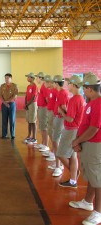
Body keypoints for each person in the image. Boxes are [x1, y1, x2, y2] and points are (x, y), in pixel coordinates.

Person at [69, 73, 101, 225]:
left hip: (95, 145)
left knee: (98, 180)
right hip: (88, 144)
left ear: (89, 89)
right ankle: (88, 202)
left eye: (84, 89)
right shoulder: (91, 102)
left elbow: (94, 128)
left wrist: (77, 140)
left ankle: (98, 212)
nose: (83, 91)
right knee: (91, 177)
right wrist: (80, 141)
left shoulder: (98, 104)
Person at [56, 75, 84, 187]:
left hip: (71, 130)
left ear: (73, 85)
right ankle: (73, 180)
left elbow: (70, 118)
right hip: (77, 129)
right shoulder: (80, 98)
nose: (67, 86)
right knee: (73, 156)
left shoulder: (74, 99)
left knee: (60, 154)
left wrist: (62, 113)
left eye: (69, 84)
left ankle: (74, 172)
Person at [50, 75, 69, 177]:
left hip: (60, 119)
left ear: (56, 83)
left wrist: (63, 115)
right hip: (58, 117)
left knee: (56, 141)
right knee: (55, 140)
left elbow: (64, 108)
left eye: (53, 82)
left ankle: (58, 166)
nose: (52, 84)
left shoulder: (62, 93)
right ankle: (59, 163)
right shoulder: (60, 92)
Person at [0, 73, 18, 140]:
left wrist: (8, 101)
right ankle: (4, 134)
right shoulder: (2, 86)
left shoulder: (14, 86)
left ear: (11, 78)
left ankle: (12, 134)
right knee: (4, 120)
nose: (6, 79)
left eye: (7, 78)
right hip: (4, 105)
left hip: (11, 104)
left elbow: (15, 96)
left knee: (12, 120)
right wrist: (4, 102)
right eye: (5, 78)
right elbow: (0, 95)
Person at [35, 72, 49, 151]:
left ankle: (46, 144)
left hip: (44, 108)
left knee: (45, 127)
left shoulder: (44, 86)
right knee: (42, 126)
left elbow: (47, 99)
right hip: (41, 108)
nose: (36, 79)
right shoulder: (42, 86)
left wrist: (46, 108)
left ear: (40, 78)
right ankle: (43, 143)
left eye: (37, 77)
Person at [24, 72, 38, 144]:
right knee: (29, 121)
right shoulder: (28, 86)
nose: (27, 78)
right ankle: (29, 135)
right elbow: (26, 95)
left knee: (33, 121)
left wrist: (28, 104)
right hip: (28, 104)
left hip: (32, 104)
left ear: (32, 78)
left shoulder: (34, 86)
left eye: (29, 77)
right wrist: (25, 103)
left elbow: (33, 97)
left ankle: (34, 137)